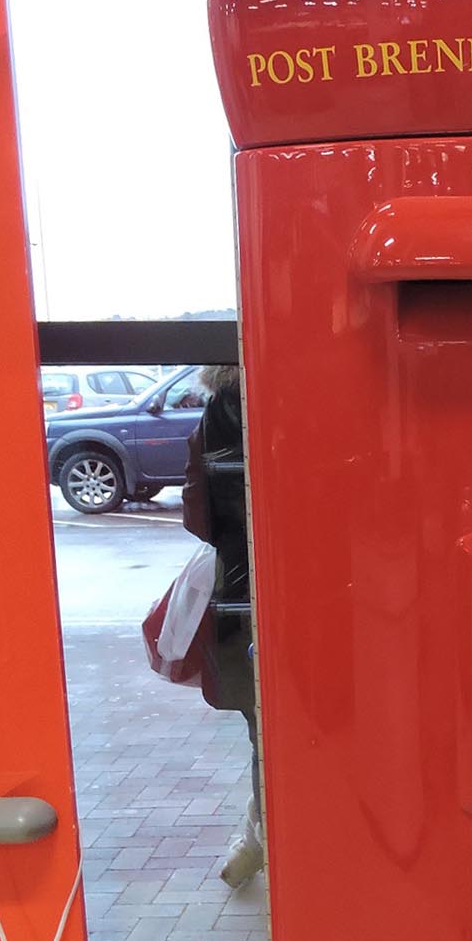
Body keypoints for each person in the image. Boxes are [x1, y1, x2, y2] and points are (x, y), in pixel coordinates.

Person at [182, 364, 262, 887]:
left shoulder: (212, 418)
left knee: (264, 734)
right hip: (320, 595)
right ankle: (261, 840)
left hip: (239, 603)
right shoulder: (296, 400)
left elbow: (197, 516)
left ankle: (258, 841)